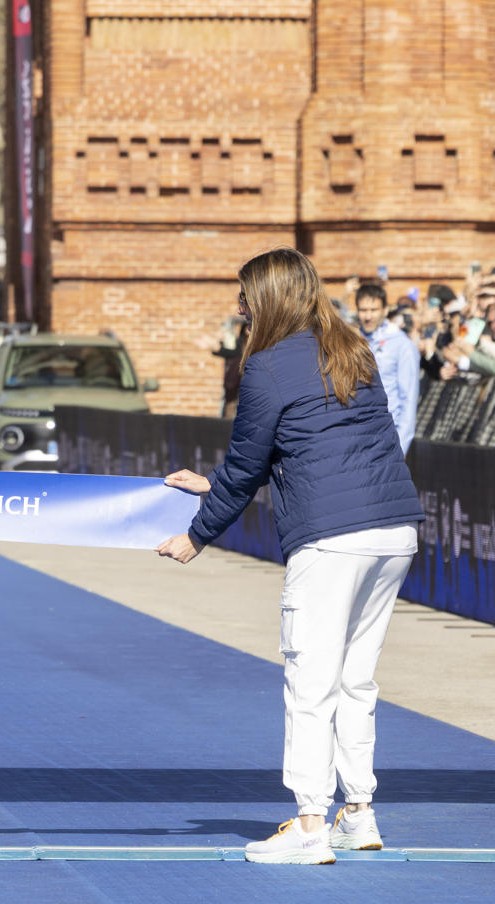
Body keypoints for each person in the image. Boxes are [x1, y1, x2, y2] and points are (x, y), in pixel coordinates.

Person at [156, 248, 424, 867]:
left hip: (331, 538)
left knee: (310, 679)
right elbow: (312, 447)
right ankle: (357, 814)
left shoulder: (267, 366)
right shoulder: (352, 349)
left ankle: (308, 824)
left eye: (245, 296)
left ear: (270, 300)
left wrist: (197, 536)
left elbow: (251, 462)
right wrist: (215, 487)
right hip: (392, 531)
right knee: (356, 678)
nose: (240, 306)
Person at [353, 282, 418, 451]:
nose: (368, 316)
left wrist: (401, 447)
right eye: (363, 310)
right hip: (357, 436)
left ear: (385, 310)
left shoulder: (402, 344)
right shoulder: (352, 343)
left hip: (388, 438)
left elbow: (408, 398)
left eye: (373, 310)